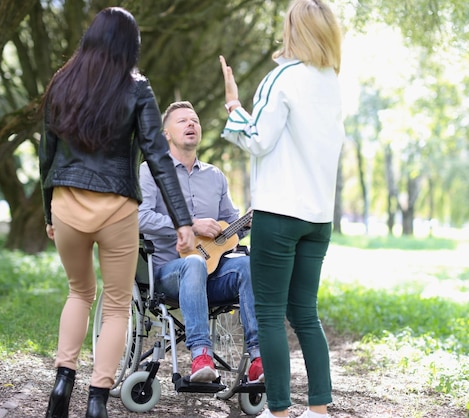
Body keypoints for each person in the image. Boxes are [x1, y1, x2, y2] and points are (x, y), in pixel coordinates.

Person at [39, 8, 194, 418]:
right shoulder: (137, 88)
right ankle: (96, 401)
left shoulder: (61, 83)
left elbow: (46, 154)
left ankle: (61, 383)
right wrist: (183, 222)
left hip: (66, 203)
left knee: (78, 292)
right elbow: (159, 158)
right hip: (117, 210)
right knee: (115, 304)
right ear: (130, 45)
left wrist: (49, 213)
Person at [218, 0, 345, 417]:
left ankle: (280, 411)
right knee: (306, 315)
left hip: (279, 214)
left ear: (294, 30)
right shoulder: (333, 83)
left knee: (270, 316)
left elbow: (258, 139)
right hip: (319, 217)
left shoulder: (283, 77)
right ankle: (320, 410)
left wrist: (234, 108)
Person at [138, 100, 264, 384]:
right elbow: (139, 218)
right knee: (192, 262)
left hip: (212, 274)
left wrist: (249, 222)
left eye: (194, 120)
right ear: (166, 134)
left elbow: (230, 228)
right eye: (182, 120)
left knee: (248, 264)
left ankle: (258, 359)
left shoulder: (215, 176)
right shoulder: (150, 171)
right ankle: (201, 356)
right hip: (167, 273)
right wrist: (189, 226)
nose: (191, 124)